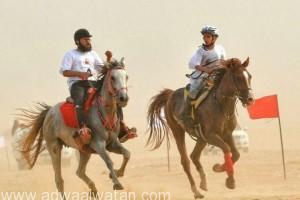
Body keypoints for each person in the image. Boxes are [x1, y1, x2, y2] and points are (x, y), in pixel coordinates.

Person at [59, 29, 137, 142]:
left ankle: (121, 127)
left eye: (89, 39)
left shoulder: (93, 54)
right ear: (77, 41)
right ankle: (83, 128)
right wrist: (80, 74)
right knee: (80, 101)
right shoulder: (70, 54)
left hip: (94, 82)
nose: (88, 41)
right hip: (78, 84)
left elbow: (102, 69)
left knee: (114, 96)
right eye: (85, 39)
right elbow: (64, 72)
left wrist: (109, 59)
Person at [182, 25, 226, 128]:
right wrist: (208, 70)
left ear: (214, 38)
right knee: (192, 93)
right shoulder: (200, 50)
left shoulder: (220, 49)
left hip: (217, 75)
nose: (205, 39)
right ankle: (187, 116)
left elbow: (223, 62)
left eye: (208, 37)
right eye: (204, 37)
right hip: (201, 77)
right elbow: (194, 64)